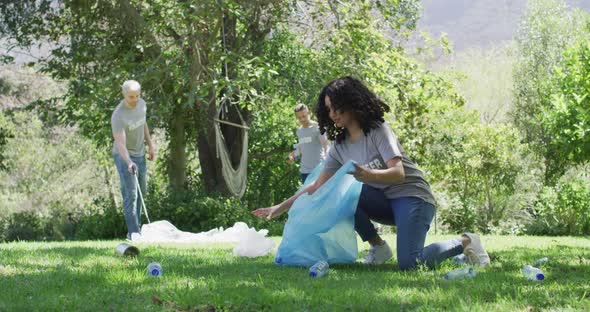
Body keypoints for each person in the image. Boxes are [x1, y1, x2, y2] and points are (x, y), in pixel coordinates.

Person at [253, 76, 490, 270]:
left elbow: (398, 174)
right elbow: (317, 186)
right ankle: (378, 246)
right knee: (338, 193)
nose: (333, 113)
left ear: (352, 102)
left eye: (337, 106)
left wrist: (369, 175)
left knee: (409, 263)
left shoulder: (378, 130)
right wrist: (280, 207)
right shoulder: (340, 146)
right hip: (384, 203)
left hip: (413, 197)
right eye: (328, 109)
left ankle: (466, 241)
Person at [111, 80, 154, 240]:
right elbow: (120, 144)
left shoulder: (142, 104)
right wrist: (129, 162)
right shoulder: (118, 115)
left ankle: (138, 231)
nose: (135, 99)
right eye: (131, 97)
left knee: (142, 191)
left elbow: (143, 124)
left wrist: (150, 145)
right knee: (131, 194)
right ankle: (133, 233)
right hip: (124, 157)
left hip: (140, 154)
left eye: (137, 96)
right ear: (124, 94)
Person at [286, 104, 330, 182]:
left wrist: (328, 158)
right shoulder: (299, 131)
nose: (302, 119)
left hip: (318, 170)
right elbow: (301, 147)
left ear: (309, 113)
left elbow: (326, 144)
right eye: (299, 118)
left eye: (304, 116)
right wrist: (292, 156)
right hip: (305, 172)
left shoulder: (318, 127)